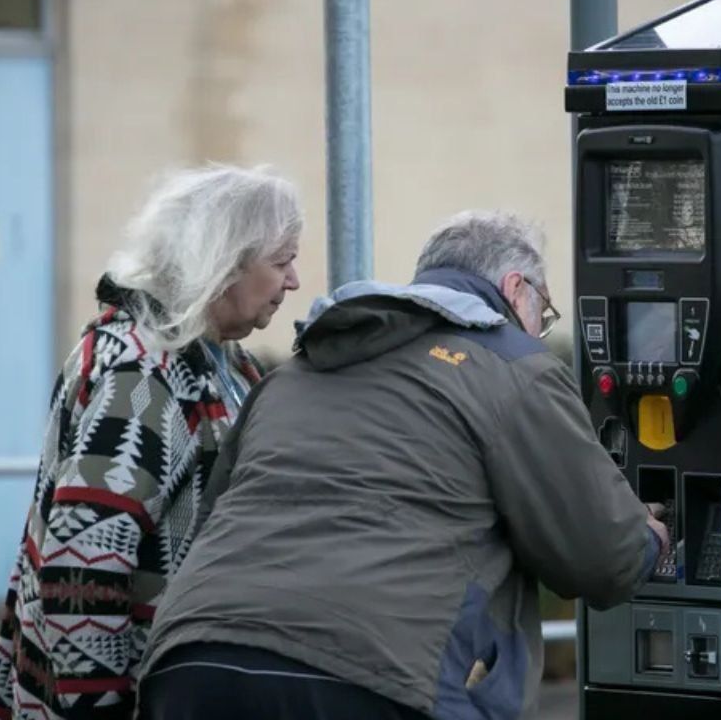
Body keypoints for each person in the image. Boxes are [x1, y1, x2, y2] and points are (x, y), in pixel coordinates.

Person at [138, 210, 669, 720]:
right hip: (364, 676)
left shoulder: (291, 376)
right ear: (515, 290)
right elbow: (602, 557)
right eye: (543, 313)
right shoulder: (512, 366)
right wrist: (650, 538)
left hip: (192, 661)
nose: (538, 332)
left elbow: (212, 522)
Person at [0, 164, 304, 720]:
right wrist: (100, 709)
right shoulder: (140, 374)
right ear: (224, 261)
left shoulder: (219, 359)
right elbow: (82, 567)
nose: (294, 281)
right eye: (281, 262)